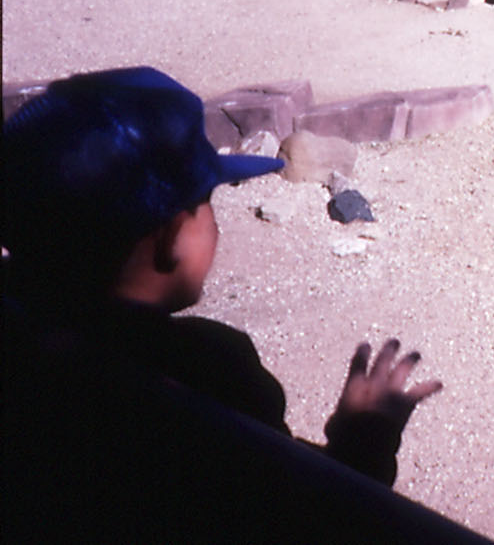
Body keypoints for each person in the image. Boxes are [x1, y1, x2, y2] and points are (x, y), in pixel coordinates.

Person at [2, 67, 443, 537]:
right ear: (170, 237)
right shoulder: (209, 370)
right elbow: (297, 519)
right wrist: (363, 443)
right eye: (208, 200)